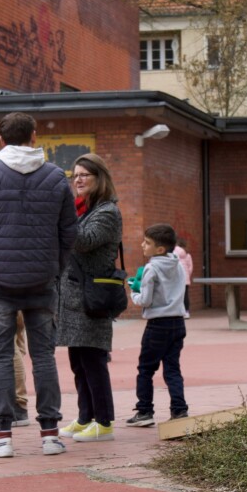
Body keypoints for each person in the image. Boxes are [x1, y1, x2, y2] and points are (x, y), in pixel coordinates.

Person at [0, 111, 77, 459]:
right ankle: (50, 436)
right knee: (44, 357)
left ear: (1, 140)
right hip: (42, 280)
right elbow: (68, 232)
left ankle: (2, 437)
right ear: (34, 136)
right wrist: (54, 269)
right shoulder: (56, 176)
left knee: (0, 358)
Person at [58, 153, 123, 441]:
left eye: (85, 174)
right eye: (75, 174)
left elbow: (82, 241)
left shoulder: (107, 212)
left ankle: (104, 422)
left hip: (92, 296)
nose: (78, 179)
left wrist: (63, 213)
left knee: (94, 361)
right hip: (75, 297)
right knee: (79, 361)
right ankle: (86, 417)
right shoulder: (83, 209)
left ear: (100, 179)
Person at [126, 223, 189, 427]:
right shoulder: (178, 264)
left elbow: (144, 300)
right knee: (172, 369)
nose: (142, 245)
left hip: (157, 325)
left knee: (145, 369)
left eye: (147, 242)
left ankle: (144, 411)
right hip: (178, 322)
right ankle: (179, 411)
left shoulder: (151, 268)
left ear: (160, 249)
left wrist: (133, 292)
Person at [175, 237, 194, 317]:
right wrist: (187, 276)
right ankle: (186, 312)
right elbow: (190, 267)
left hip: (177, 279)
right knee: (185, 295)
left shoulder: (174, 254)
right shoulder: (188, 255)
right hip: (185, 279)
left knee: (177, 295)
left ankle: (179, 311)